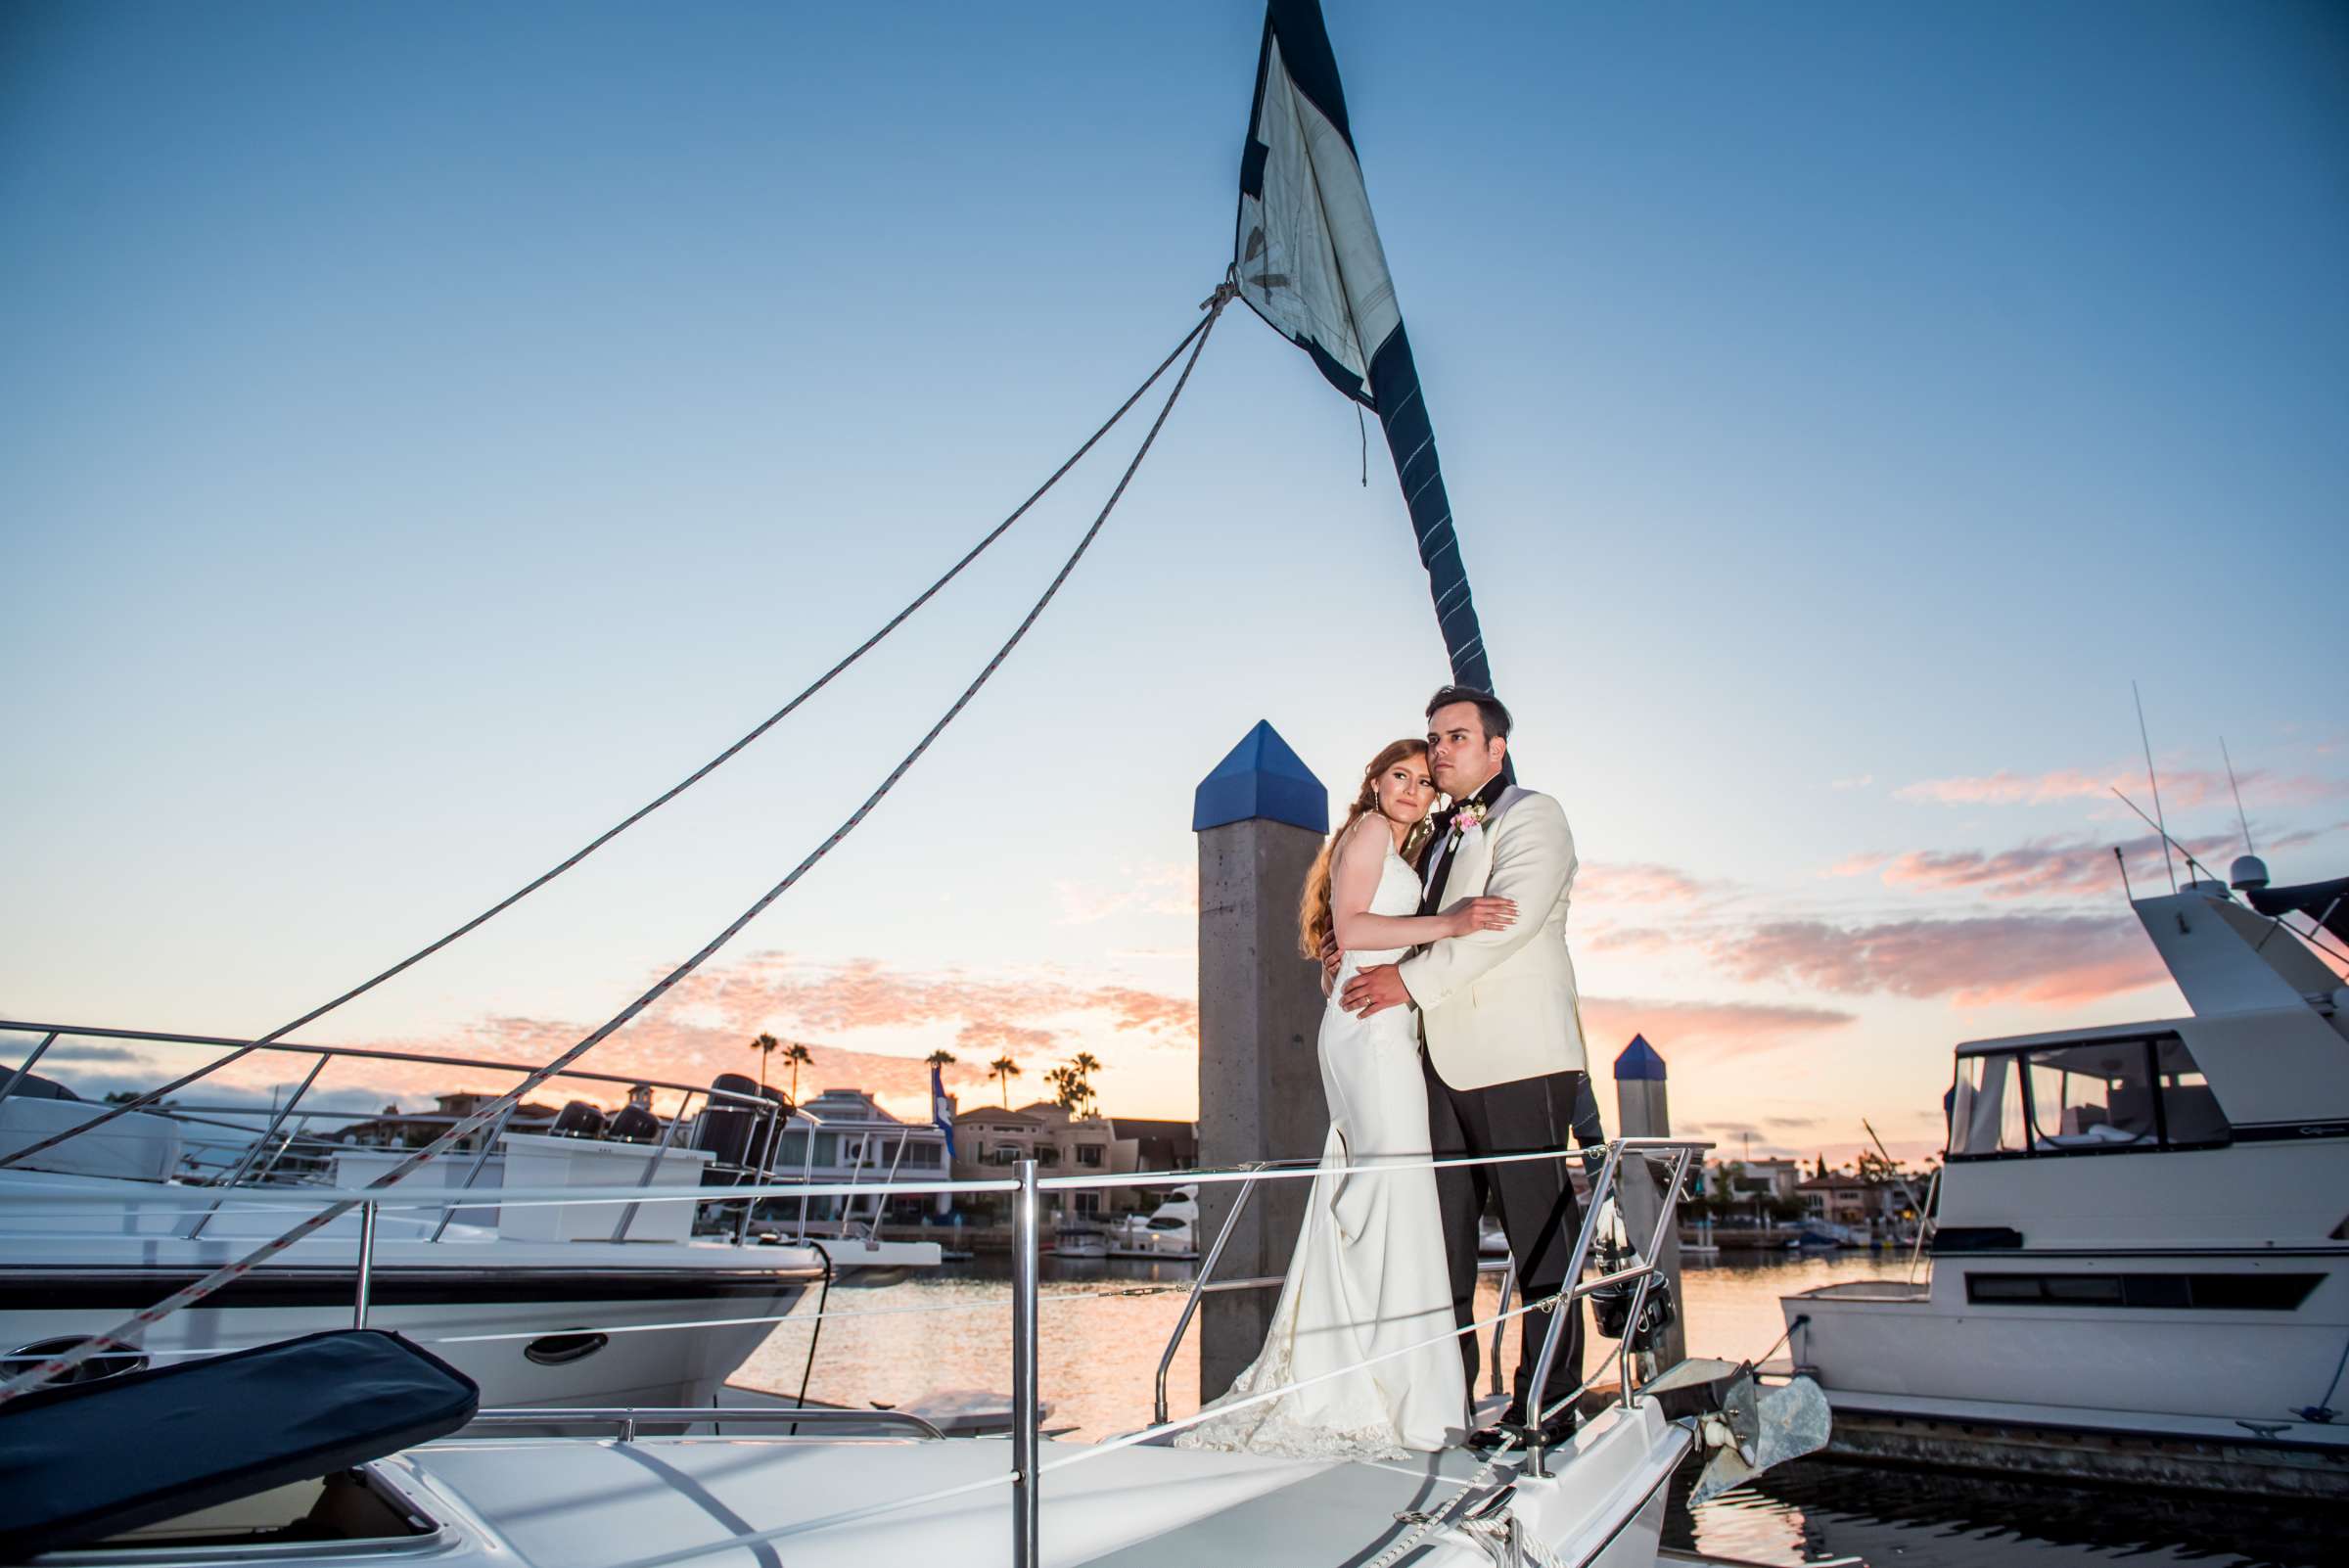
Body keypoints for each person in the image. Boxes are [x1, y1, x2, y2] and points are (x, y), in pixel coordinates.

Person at [1177, 738, 1516, 1458]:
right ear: (1375, 781)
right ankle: (1386, 1381)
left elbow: (1355, 940)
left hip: (1379, 1022)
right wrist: (1453, 924)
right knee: (1389, 1189)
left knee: (1385, 1189)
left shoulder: (1404, 851)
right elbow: (1356, 926)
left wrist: (1374, 956)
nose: (1412, 789)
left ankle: (1378, 1367)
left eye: (1425, 783)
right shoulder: (1365, 831)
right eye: (1401, 775)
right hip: (1370, 1034)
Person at [1339, 686, 1589, 1451]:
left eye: (1456, 737)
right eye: (1434, 738)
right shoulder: (1434, 836)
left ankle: (1545, 1408)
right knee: (1442, 1242)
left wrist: (1402, 981)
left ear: (1494, 749)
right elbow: (1413, 923)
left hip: (1519, 1059)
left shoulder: (1533, 817)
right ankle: (1449, 1399)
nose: (1440, 751)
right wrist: (1355, 955)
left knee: (1539, 1241)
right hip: (1434, 1066)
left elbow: (1501, 925)